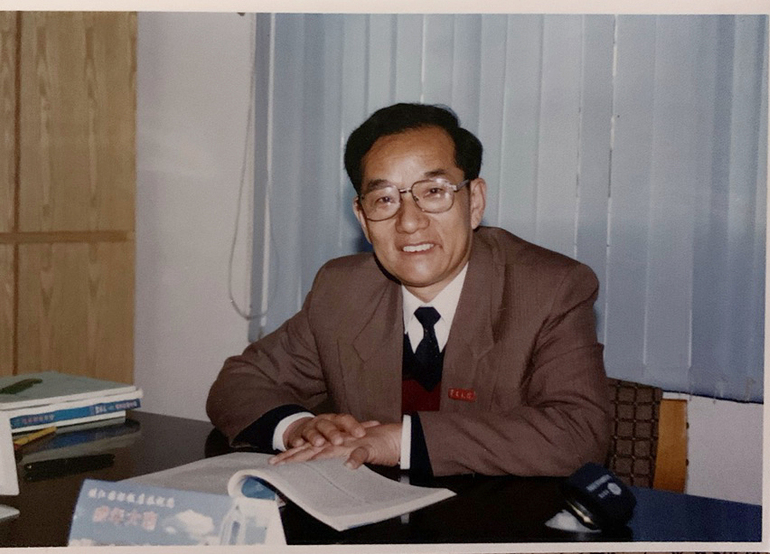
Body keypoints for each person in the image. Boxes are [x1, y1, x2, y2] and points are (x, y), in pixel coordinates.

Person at [207, 103, 610, 478]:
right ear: (363, 219)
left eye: (433, 191)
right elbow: (240, 381)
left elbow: (580, 432)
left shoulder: (550, 288)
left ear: (474, 202)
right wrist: (299, 428)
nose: (409, 222)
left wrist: (399, 442)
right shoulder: (342, 290)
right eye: (384, 199)